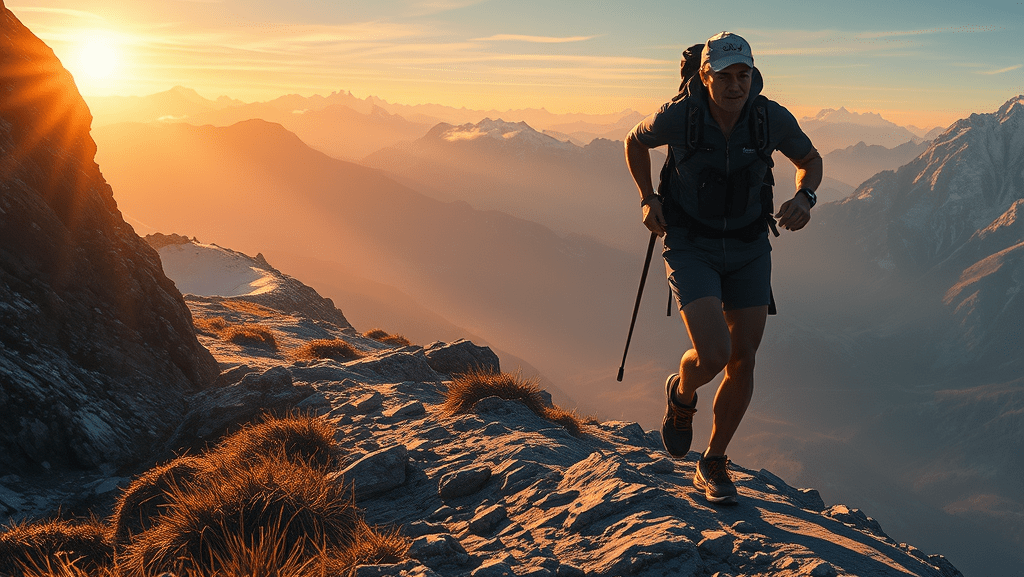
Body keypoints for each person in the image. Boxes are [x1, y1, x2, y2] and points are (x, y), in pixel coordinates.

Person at [624, 32, 823, 505]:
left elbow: (810, 161)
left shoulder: (769, 117)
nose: (736, 86)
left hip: (751, 245)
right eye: (726, 76)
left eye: (744, 75)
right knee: (713, 355)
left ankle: (713, 460)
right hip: (691, 243)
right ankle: (682, 391)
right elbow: (634, 142)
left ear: (753, 76)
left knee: (744, 357)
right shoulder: (680, 117)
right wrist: (647, 199)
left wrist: (805, 196)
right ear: (705, 77)